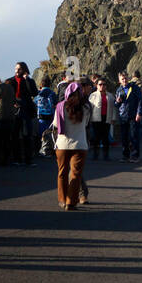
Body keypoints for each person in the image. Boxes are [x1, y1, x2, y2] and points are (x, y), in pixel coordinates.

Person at [52, 79, 90, 209]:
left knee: (62, 173)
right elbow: (86, 124)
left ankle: (62, 200)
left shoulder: (60, 107)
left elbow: (56, 125)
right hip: (79, 145)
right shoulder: (85, 107)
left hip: (62, 144)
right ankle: (71, 202)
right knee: (75, 174)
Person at [8, 62, 39, 166]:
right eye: (16, 68)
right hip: (15, 111)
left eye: (19, 69)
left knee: (27, 135)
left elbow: (34, 93)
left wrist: (26, 81)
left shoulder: (29, 81)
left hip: (26, 110)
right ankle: (17, 159)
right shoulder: (10, 81)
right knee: (15, 135)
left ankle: (28, 159)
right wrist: (13, 103)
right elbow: (7, 96)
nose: (17, 71)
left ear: (24, 70)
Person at [115, 71, 142, 162]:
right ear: (119, 80)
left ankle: (135, 155)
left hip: (133, 115)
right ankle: (125, 155)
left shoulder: (135, 87)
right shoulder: (118, 90)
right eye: (122, 79)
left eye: (125, 78)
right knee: (124, 137)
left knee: (133, 136)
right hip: (123, 115)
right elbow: (116, 105)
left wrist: (139, 113)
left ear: (128, 78)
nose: (124, 80)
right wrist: (117, 101)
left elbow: (140, 101)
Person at [87, 77, 113, 160]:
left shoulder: (110, 96)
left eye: (104, 84)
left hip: (107, 118)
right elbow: (89, 108)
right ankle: (95, 154)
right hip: (96, 119)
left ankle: (106, 155)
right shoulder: (93, 95)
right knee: (96, 138)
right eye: (100, 84)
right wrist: (88, 119)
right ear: (97, 85)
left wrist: (113, 118)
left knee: (106, 138)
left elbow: (113, 108)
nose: (102, 86)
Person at [34, 79, 57, 149]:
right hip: (50, 115)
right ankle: (50, 148)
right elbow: (56, 104)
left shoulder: (38, 94)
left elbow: (34, 103)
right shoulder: (52, 94)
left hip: (40, 116)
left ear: (41, 85)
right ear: (50, 85)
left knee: (41, 133)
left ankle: (41, 148)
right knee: (50, 132)